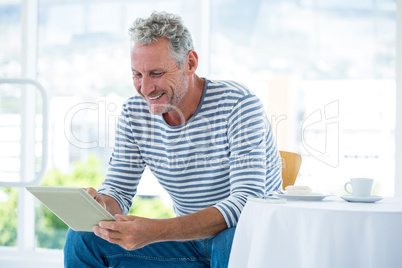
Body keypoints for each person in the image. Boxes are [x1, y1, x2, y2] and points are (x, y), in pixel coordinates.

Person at [64, 11, 282, 268]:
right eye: (137, 74)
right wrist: (100, 205)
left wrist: (158, 230)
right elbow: (119, 191)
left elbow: (246, 203)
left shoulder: (239, 105)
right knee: (81, 238)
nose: (145, 89)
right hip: (186, 244)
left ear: (190, 63)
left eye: (156, 73)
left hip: (246, 241)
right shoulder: (134, 113)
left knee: (230, 241)